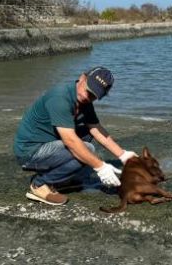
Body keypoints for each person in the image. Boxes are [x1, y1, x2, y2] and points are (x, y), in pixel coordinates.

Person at [13, 67, 137, 205]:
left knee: (86, 133)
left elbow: (95, 128)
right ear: (82, 78)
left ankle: (63, 177)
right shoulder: (60, 97)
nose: (86, 96)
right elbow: (70, 141)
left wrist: (123, 155)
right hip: (30, 152)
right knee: (87, 149)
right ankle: (39, 184)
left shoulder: (85, 102)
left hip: (50, 144)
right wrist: (100, 167)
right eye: (87, 90)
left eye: (93, 95)